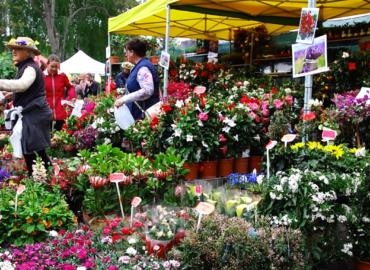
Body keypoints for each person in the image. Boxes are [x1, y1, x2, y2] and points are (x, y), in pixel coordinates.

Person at [0, 37, 52, 175]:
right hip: (33, 113)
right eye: (13, 49)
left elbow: (22, 85)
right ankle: (45, 178)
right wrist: (12, 94)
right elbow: (28, 89)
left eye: (18, 48)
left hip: (35, 114)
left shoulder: (30, 68)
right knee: (35, 150)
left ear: (28, 53)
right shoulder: (26, 66)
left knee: (31, 150)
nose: (14, 51)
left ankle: (40, 178)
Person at [114, 38, 160, 120]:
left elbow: (147, 90)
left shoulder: (143, 68)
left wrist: (124, 99)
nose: (126, 55)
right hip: (140, 115)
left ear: (132, 52)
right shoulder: (139, 66)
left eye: (126, 52)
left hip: (144, 116)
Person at [44, 54, 77, 131]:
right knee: (46, 132)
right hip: (46, 108)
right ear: (47, 65)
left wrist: (72, 96)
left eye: (56, 66)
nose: (54, 68)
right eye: (52, 66)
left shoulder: (62, 76)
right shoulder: (42, 76)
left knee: (60, 131)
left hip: (60, 108)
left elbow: (70, 86)